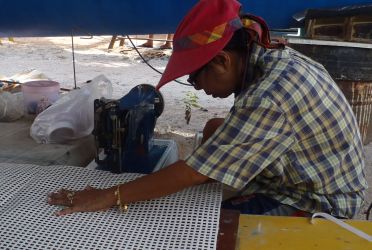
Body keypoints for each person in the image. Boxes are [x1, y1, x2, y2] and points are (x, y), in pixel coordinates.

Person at [48, 0, 367, 219]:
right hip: (307, 172)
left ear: (222, 60)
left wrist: (108, 196)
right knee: (215, 128)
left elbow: (192, 171)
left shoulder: (269, 96)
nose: (197, 85)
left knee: (202, 229)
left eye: (195, 76)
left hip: (318, 202)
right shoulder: (273, 59)